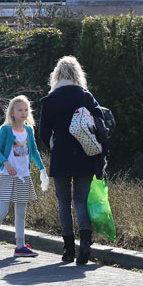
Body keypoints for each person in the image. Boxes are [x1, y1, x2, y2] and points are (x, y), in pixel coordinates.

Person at [37, 56, 108, 265]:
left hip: (60, 157)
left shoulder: (49, 100)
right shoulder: (85, 96)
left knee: (63, 202)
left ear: (57, 75)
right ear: (78, 74)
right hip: (85, 155)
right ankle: (85, 244)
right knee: (81, 200)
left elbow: (43, 132)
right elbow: (101, 123)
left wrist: (54, 144)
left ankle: (68, 248)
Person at [0, 95, 47, 259]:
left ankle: (20, 245)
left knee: (21, 213)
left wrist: (42, 169)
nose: (23, 112)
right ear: (12, 112)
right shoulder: (6, 130)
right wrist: (6, 163)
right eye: (20, 110)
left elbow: (34, 151)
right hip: (7, 176)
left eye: (26, 110)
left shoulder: (29, 131)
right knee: (2, 211)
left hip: (24, 177)